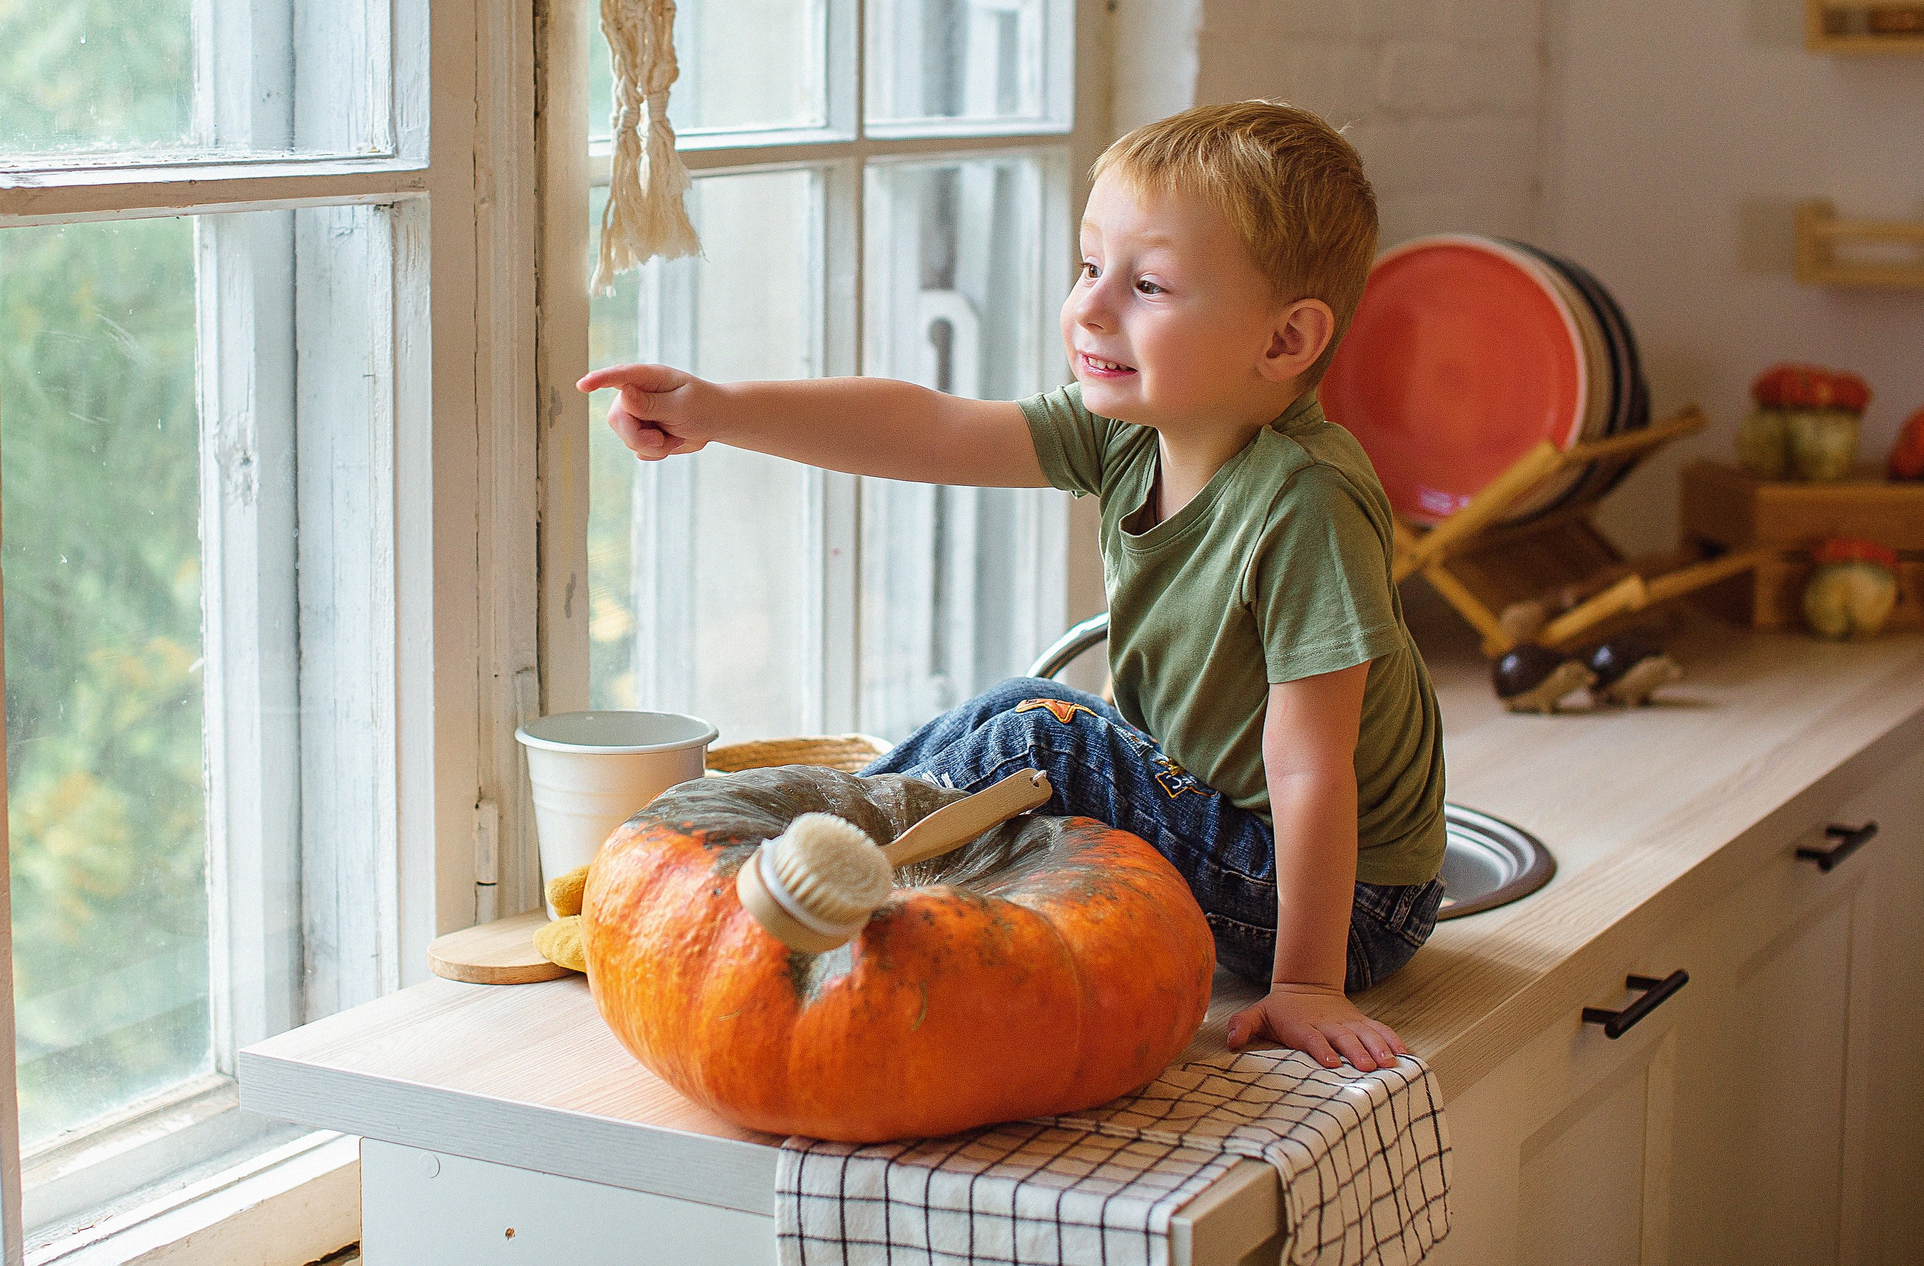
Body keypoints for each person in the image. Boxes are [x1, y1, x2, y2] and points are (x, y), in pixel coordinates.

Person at [579, 100, 1446, 1074]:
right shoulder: (1132, 429)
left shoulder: (1305, 503)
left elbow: (1310, 765)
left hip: (1342, 902)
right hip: (1245, 837)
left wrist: (1304, 986)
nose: (1088, 307)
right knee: (1023, 708)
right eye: (1089, 267)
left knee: (1048, 736)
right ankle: (779, 868)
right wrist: (722, 410)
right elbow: (934, 429)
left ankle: (768, 891)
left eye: (1147, 284)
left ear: (1284, 342)